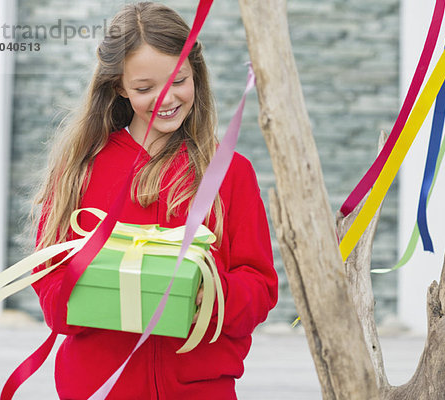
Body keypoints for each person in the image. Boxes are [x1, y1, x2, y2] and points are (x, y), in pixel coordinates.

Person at [31, 2, 278, 399]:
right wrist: (90, 292)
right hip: (99, 389)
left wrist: (212, 298)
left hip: (200, 389)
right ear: (119, 87)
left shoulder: (230, 172)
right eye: (145, 88)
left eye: (178, 80)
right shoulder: (81, 168)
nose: (165, 98)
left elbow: (260, 287)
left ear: (195, 73)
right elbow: (49, 278)